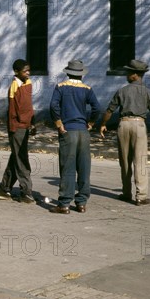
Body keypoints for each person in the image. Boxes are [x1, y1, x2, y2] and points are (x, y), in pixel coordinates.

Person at [99, 60, 150, 205]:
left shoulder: (122, 91)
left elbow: (109, 111)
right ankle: (141, 196)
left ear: (135, 75)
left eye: (129, 72)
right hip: (139, 125)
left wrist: (103, 124)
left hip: (123, 125)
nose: (126, 75)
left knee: (125, 161)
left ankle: (126, 193)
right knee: (140, 160)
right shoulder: (148, 93)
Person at [49, 60, 101, 214]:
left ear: (68, 73)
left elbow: (53, 106)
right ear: (81, 75)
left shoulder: (60, 87)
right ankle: (81, 202)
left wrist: (59, 123)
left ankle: (64, 203)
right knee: (84, 167)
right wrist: (90, 122)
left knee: (67, 166)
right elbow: (97, 108)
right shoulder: (87, 89)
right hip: (83, 132)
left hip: (68, 131)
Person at [0, 59, 36, 204]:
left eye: (29, 70)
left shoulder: (27, 84)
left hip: (25, 126)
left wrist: (32, 123)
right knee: (22, 160)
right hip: (17, 127)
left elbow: (29, 106)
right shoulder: (14, 86)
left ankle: (4, 189)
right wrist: (14, 129)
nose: (28, 73)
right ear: (17, 72)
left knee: (16, 158)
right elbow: (14, 111)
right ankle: (26, 192)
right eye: (25, 71)